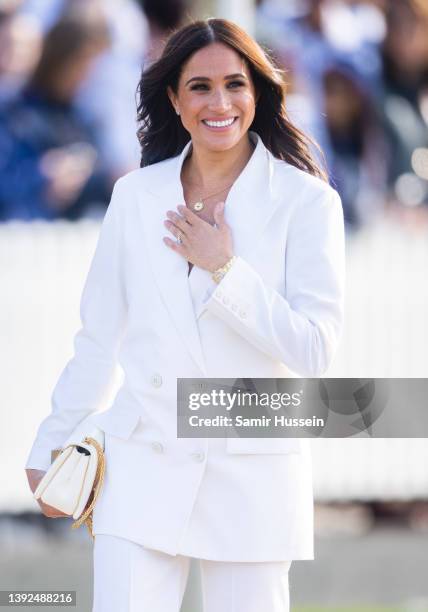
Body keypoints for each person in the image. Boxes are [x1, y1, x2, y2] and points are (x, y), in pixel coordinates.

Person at [25, 18, 345, 612]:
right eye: (199, 86)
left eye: (235, 84)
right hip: (141, 461)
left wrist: (226, 269)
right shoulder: (135, 197)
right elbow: (98, 336)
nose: (219, 102)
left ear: (259, 94)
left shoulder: (309, 204)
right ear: (174, 98)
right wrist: (51, 441)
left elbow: (315, 349)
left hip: (254, 471)